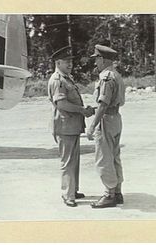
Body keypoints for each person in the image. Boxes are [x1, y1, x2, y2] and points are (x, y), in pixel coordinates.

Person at [48, 46, 94, 207]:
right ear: (58, 62)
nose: (70, 64)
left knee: (74, 160)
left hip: (71, 126)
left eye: (71, 62)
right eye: (67, 62)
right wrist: (82, 110)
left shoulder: (67, 78)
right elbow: (62, 104)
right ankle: (67, 194)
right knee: (67, 161)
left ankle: (73, 190)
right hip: (64, 126)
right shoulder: (57, 80)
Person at [87, 44, 125, 208]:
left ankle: (109, 194)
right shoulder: (116, 74)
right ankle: (117, 191)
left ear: (102, 59)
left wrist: (92, 126)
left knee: (103, 157)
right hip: (115, 117)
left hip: (106, 119)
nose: (96, 63)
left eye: (97, 59)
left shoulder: (106, 77)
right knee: (114, 155)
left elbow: (103, 104)